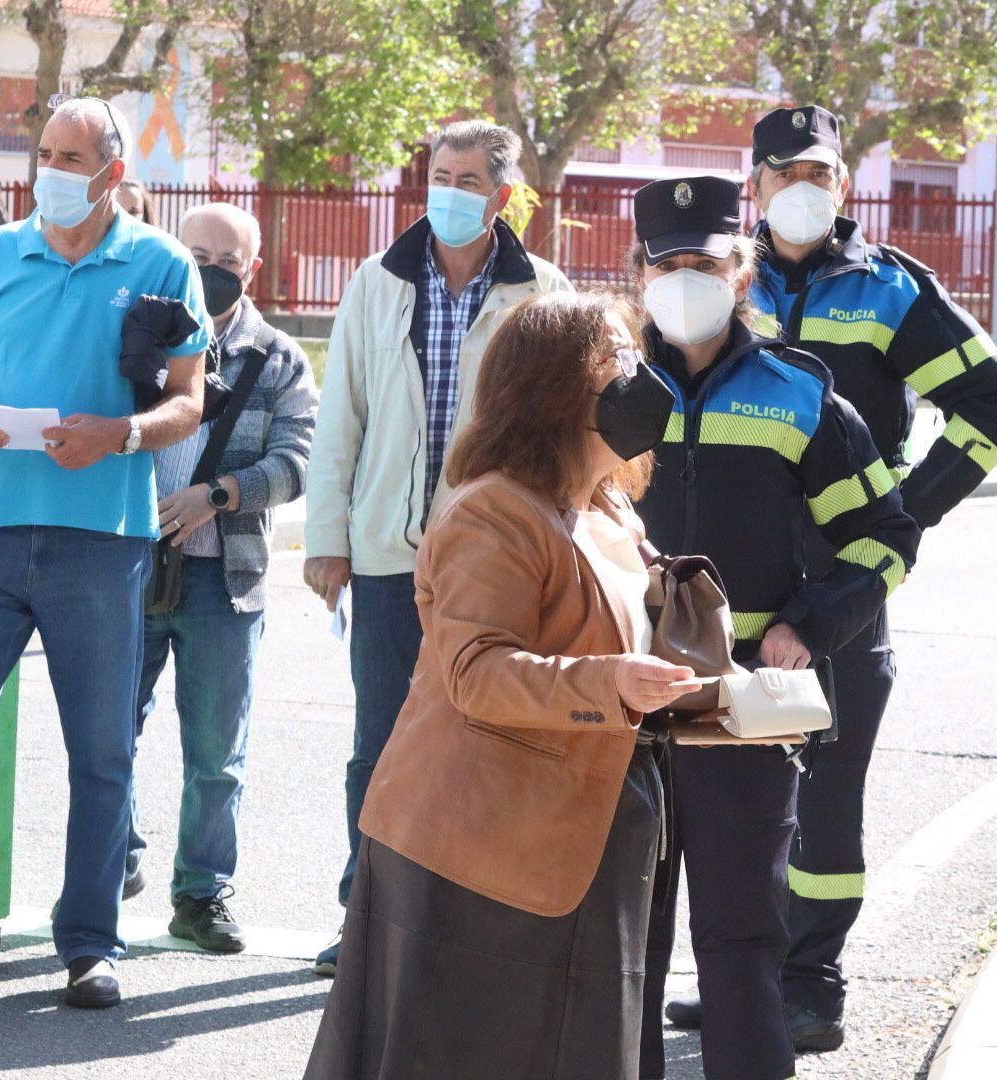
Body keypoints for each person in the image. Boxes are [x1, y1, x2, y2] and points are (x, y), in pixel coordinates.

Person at [661, 104, 997, 1049]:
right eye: (782, 172)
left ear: (845, 183)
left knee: (822, 789)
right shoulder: (707, 273)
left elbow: (991, 405)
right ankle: (745, 970)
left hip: (839, 594)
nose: (800, 188)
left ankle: (810, 981)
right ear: (756, 184)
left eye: (818, 172)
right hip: (724, 589)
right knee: (718, 783)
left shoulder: (888, 289)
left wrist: (910, 508)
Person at [303, 291, 699, 1079]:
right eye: (615, 360)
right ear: (554, 386)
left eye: (634, 355)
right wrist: (611, 682)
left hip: (576, 841)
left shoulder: (608, 508)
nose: (638, 374)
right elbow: (474, 671)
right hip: (478, 856)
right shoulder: (494, 514)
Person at [0, 96, 209, 1009]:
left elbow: (189, 400)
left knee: (102, 750)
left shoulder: (163, 262)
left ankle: (90, 944)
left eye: (76, 157)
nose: (55, 174)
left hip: (100, 545)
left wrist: (120, 435)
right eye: (47, 155)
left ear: (113, 169)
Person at [630, 175, 921, 1080]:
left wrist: (809, 624)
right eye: (668, 262)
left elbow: (883, 538)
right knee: (621, 940)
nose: (686, 278)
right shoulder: (602, 395)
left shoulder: (800, 399)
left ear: (742, 271)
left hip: (742, 712)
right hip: (617, 704)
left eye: (705, 262)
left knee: (744, 939)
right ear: (641, 272)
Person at [303, 120, 573, 975]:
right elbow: (338, 417)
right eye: (438, 174)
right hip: (387, 554)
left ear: (500, 195)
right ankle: (368, 914)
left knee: (489, 737)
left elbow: (561, 433)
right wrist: (327, 540)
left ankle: (468, 918)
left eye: (465, 179)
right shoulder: (377, 281)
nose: (446, 192)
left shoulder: (544, 292)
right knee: (380, 742)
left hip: (492, 563)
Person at [127, 202, 319, 952]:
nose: (209, 269)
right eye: (196, 252)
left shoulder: (278, 357)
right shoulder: (139, 338)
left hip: (225, 581)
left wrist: (219, 495)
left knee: (216, 755)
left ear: (253, 269)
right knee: (107, 731)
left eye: (227, 260)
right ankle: (121, 858)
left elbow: (298, 460)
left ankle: (201, 894)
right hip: (130, 565)